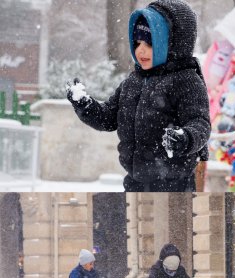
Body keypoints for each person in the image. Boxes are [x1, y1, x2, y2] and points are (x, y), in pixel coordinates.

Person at [65, 0, 210, 192]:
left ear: (173, 44)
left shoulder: (186, 81)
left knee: (169, 221)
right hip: (135, 180)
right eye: (137, 42)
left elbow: (200, 123)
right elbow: (108, 117)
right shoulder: (133, 81)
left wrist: (185, 138)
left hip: (175, 183)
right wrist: (85, 105)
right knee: (133, 221)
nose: (140, 50)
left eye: (150, 43)